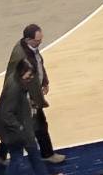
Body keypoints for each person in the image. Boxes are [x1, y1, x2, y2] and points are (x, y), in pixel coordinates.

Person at [9, 23, 63, 162]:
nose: (40, 42)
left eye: (41, 39)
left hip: (32, 95)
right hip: (26, 98)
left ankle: (0, 153)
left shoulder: (31, 48)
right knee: (38, 125)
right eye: (38, 40)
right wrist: (35, 99)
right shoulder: (22, 56)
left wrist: (44, 81)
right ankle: (47, 154)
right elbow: (22, 81)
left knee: (32, 125)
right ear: (28, 39)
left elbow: (39, 65)